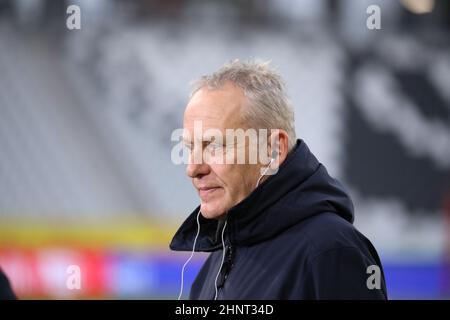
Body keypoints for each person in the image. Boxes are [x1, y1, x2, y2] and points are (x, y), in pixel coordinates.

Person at [170, 60, 387, 300]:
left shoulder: (331, 252)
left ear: (273, 150)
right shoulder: (218, 260)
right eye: (190, 148)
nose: (193, 168)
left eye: (214, 145)